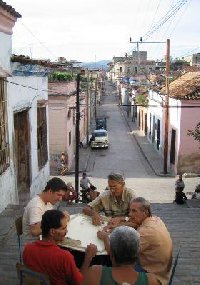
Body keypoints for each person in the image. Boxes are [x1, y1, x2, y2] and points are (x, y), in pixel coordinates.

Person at [99, 197, 172, 285]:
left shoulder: (146, 232)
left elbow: (117, 256)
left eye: (134, 211)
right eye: (130, 211)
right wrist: (121, 221)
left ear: (145, 212)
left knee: (112, 261)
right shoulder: (155, 219)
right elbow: (135, 223)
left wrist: (105, 238)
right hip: (161, 270)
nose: (130, 214)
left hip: (154, 276)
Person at [23, 209, 97, 285]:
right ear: (52, 232)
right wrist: (88, 257)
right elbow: (78, 282)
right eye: (63, 228)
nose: (66, 231)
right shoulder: (64, 256)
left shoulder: (27, 249)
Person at [82, 226, 160, 285]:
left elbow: (80, 281)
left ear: (111, 254)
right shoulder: (151, 280)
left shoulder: (96, 273)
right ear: (137, 253)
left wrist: (88, 258)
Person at [23, 177, 68, 243]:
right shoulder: (36, 206)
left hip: (46, 240)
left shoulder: (48, 202)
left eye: (62, 196)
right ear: (50, 191)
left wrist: (61, 218)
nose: (60, 199)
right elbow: (35, 231)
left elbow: (50, 220)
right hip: (35, 246)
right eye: (58, 195)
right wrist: (60, 222)